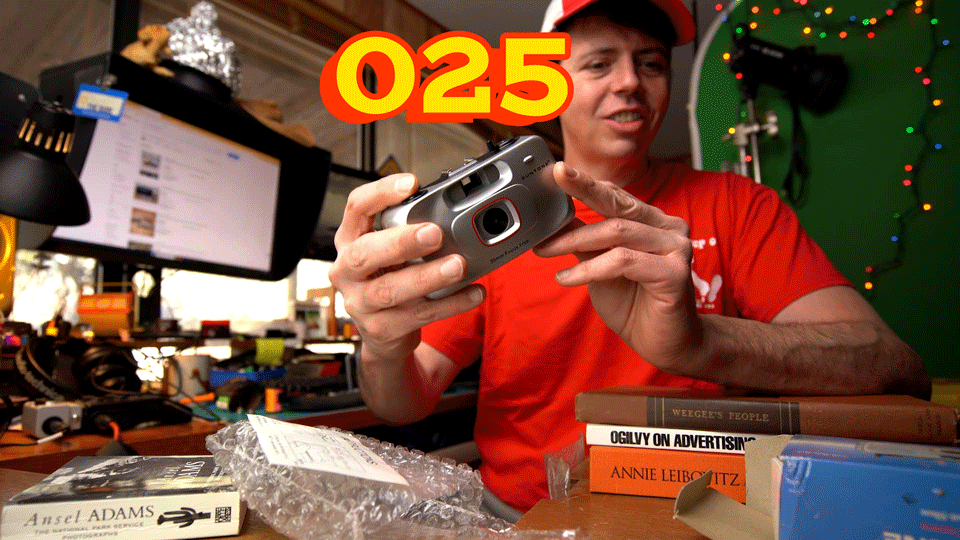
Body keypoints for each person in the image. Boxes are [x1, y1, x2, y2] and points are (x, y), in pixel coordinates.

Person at [328, 0, 930, 513]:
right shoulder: (486, 231)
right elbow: (404, 402)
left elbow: (895, 367)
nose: (630, 84)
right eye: (598, 64)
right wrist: (381, 345)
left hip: (697, 514)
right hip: (523, 516)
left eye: (651, 63)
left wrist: (700, 343)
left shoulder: (738, 206)